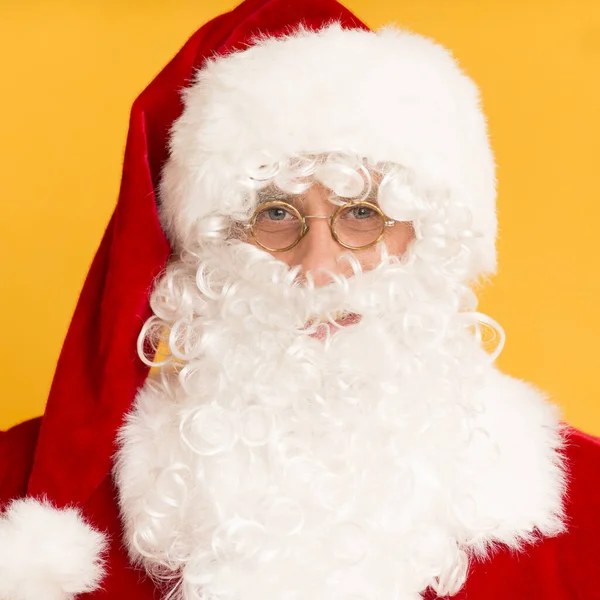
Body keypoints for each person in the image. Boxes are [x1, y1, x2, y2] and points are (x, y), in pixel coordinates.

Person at [1, 0, 598, 598]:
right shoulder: (20, 498)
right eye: (275, 214)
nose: (318, 269)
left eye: (363, 213)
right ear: (200, 254)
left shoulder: (590, 505)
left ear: (430, 239)